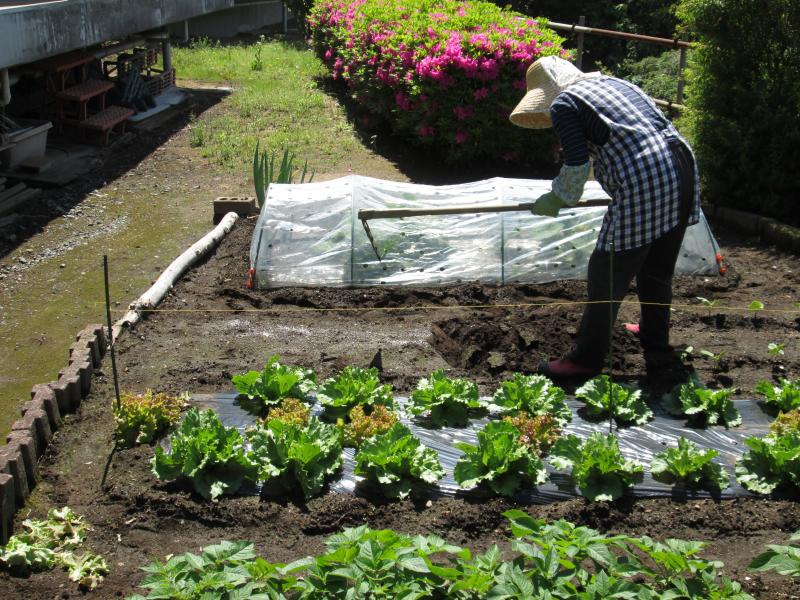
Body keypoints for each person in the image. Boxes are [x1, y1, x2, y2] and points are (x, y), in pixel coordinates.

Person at [509, 56, 700, 378]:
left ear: (546, 93)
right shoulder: (614, 83)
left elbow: (577, 166)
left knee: (606, 270)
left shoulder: (565, 104)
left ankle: (585, 360)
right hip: (682, 167)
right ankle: (655, 338)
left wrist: (557, 198)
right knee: (656, 268)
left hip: (646, 178)